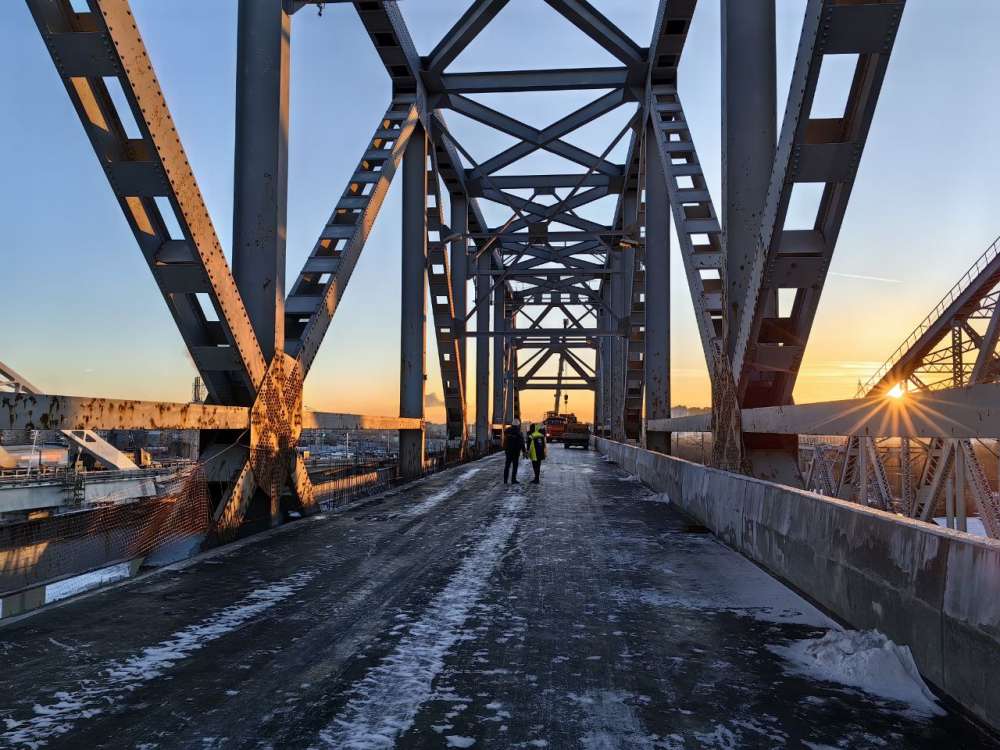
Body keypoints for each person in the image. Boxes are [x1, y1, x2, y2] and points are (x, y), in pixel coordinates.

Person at [503, 419, 525, 484]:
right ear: (518, 425)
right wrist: (524, 451)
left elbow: (505, 439)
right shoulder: (519, 433)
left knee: (507, 466)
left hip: (508, 451)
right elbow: (522, 443)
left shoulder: (507, 431)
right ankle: (513, 480)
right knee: (515, 466)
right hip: (516, 452)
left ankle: (505, 480)